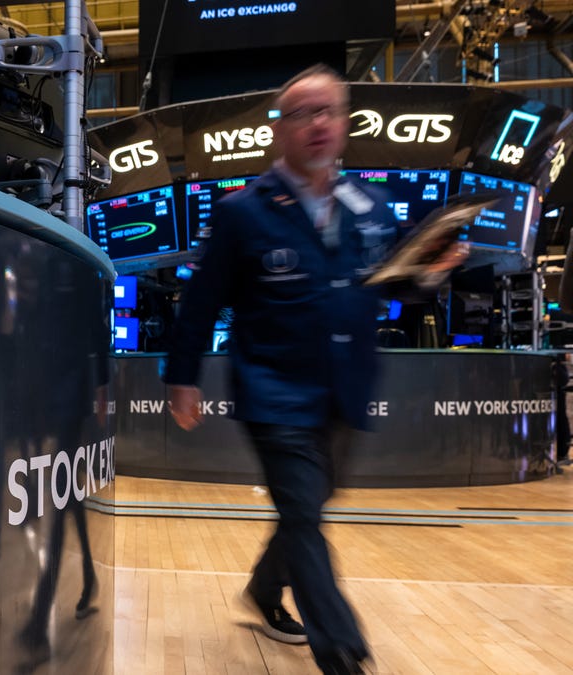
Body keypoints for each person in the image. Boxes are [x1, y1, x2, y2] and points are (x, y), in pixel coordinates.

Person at [162, 65, 466, 675]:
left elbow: (394, 286)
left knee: (307, 508)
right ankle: (344, 652)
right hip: (272, 389)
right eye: (302, 113)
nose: (319, 124)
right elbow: (200, 303)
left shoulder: (371, 205)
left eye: (329, 111)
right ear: (280, 129)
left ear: (345, 122)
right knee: (304, 514)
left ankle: (263, 590)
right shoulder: (242, 212)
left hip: (345, 387)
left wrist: (430, 273)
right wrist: (182, 375)